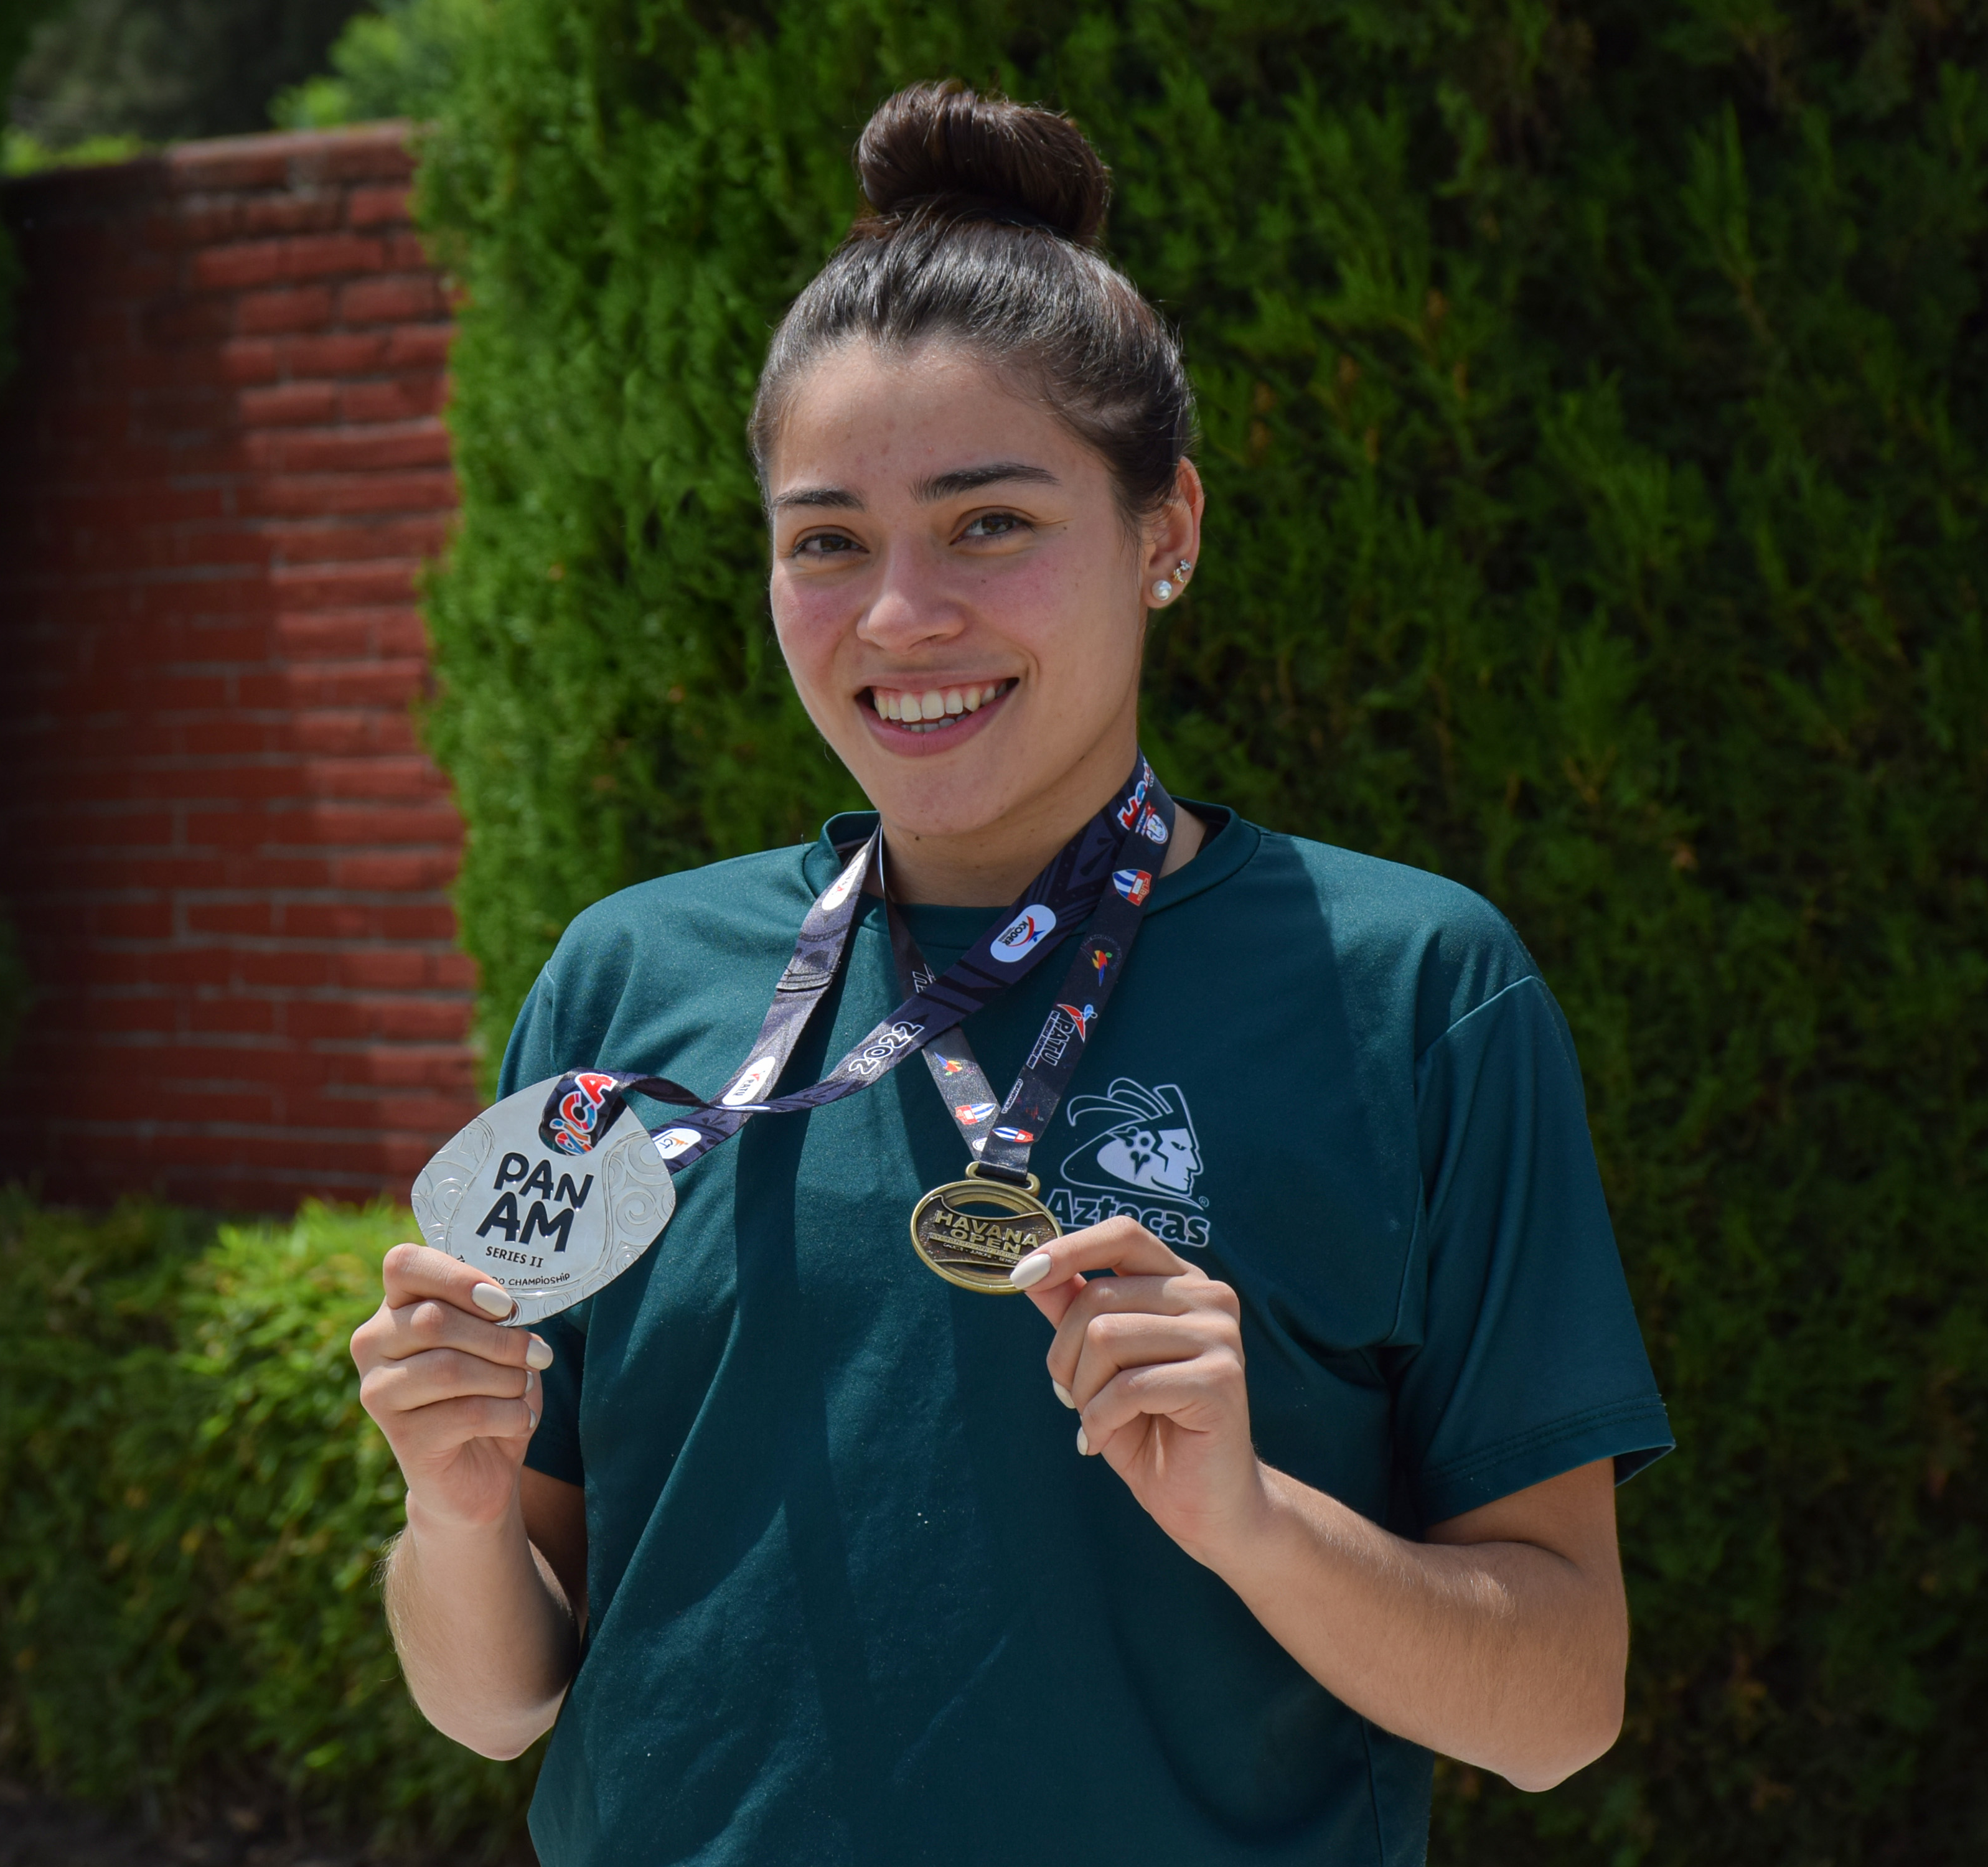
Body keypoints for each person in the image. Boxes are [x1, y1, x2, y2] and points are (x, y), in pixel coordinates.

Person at [349, 79, 1671, 1867]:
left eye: (989, 523)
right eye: (827, 541)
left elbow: (1561, 1705)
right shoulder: (626, 984)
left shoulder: (1415, 990)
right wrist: (452, 1507)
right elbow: (498, 1696)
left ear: (1166, 528)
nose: (900, 617)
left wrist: (1253, 1518)